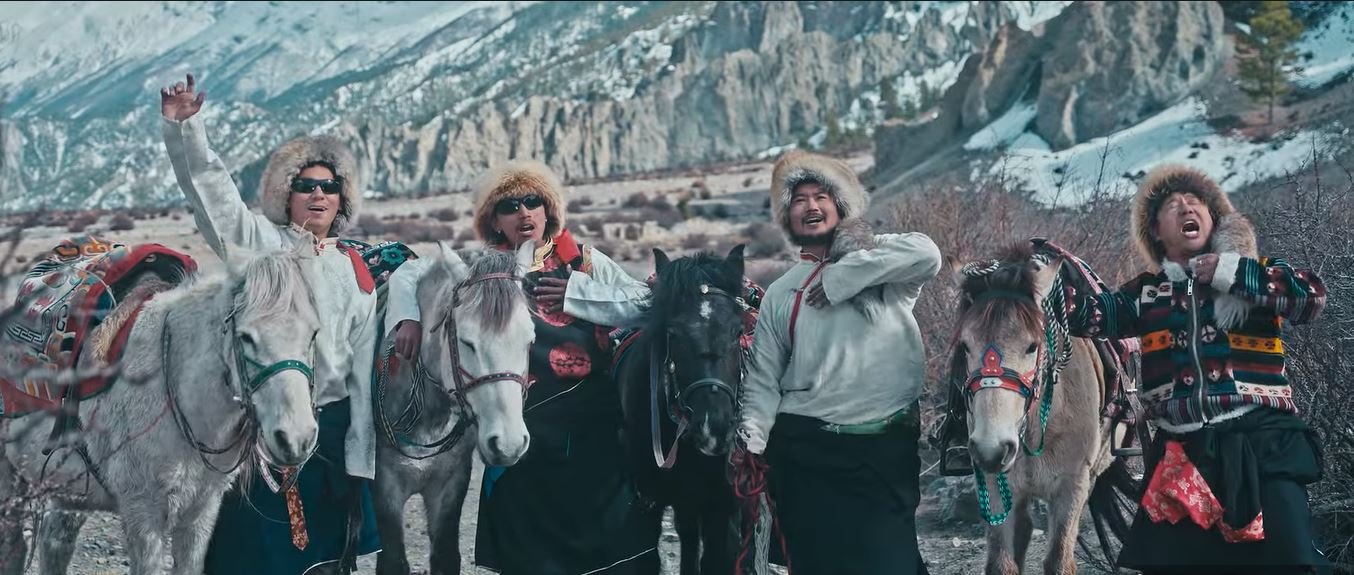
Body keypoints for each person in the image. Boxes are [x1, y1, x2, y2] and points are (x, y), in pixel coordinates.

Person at [383, 159, 660, 574]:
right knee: (531, 558)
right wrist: (407, 317)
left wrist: (578, 294)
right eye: (509, 206)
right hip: (519, 431)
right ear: (494, 221)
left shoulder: (584, 264)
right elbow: (410, 272)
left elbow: (647, 304)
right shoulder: (481, 270)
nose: (523, 212)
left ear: (549, 209)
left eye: (533, 201)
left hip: (593, 432)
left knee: (611, 554)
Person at [1055, 164, 1330, 575]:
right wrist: (1038, 282)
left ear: (1214, 219)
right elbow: (1091, 315)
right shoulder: (1146, 293)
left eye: (1195, 201)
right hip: (1182, 455)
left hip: (1262, 443)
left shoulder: (1256, 272)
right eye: (1172, 205)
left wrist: (1231, 272)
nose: (1186, 207)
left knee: (1288, 564)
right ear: (1156, 232)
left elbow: (1310, 298)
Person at [160, 73, 381, 574]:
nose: (318, 194)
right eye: (305, 185)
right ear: (286, 193)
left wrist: (360, 456)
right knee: (251, 559)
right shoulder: (263, 245)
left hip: (332, 431)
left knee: (328, 562)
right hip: (263, 426)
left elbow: (362, 374)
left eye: (329, 186)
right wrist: (186, 130)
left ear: (342, 199)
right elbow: (213, 197)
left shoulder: (356, 272)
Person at [736, 150, 941, 574]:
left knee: (892, 563)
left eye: (821, 196)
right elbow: (763, 379)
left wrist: (842, 277)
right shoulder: (782, 292)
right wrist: (752, 441)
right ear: (788, 217)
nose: (810, 206)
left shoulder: (881, 261)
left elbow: (929, 254)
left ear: (840, 205)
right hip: (805, 450)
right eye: (799, 200)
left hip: (884, 446)